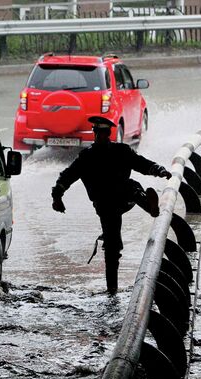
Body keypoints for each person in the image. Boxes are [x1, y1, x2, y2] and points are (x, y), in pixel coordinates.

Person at [50, 116, 172, 294]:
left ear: (101, 134)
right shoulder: (109, 152)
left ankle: (112, 289)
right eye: (99, 133)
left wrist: (57, 197)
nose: (98, 135)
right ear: (104, 133)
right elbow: (142, 164)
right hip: (114, 202)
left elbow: (67, 176)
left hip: (111, 202)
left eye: (99, 133)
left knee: (113, 241)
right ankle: (148, 205)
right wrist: (159, 170)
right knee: (132, 192)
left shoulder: (98, 154)